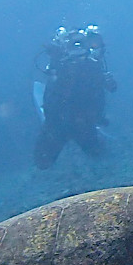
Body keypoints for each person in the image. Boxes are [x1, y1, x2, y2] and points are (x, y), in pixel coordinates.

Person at [34, 25, 117, 169]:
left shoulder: (94, 66)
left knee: (101, 157)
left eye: (81, 44)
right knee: (42, 162)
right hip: (58, 124)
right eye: (73, 44)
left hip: (84, 123)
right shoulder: (59, 66)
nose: (77, 48)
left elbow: (111, 88)